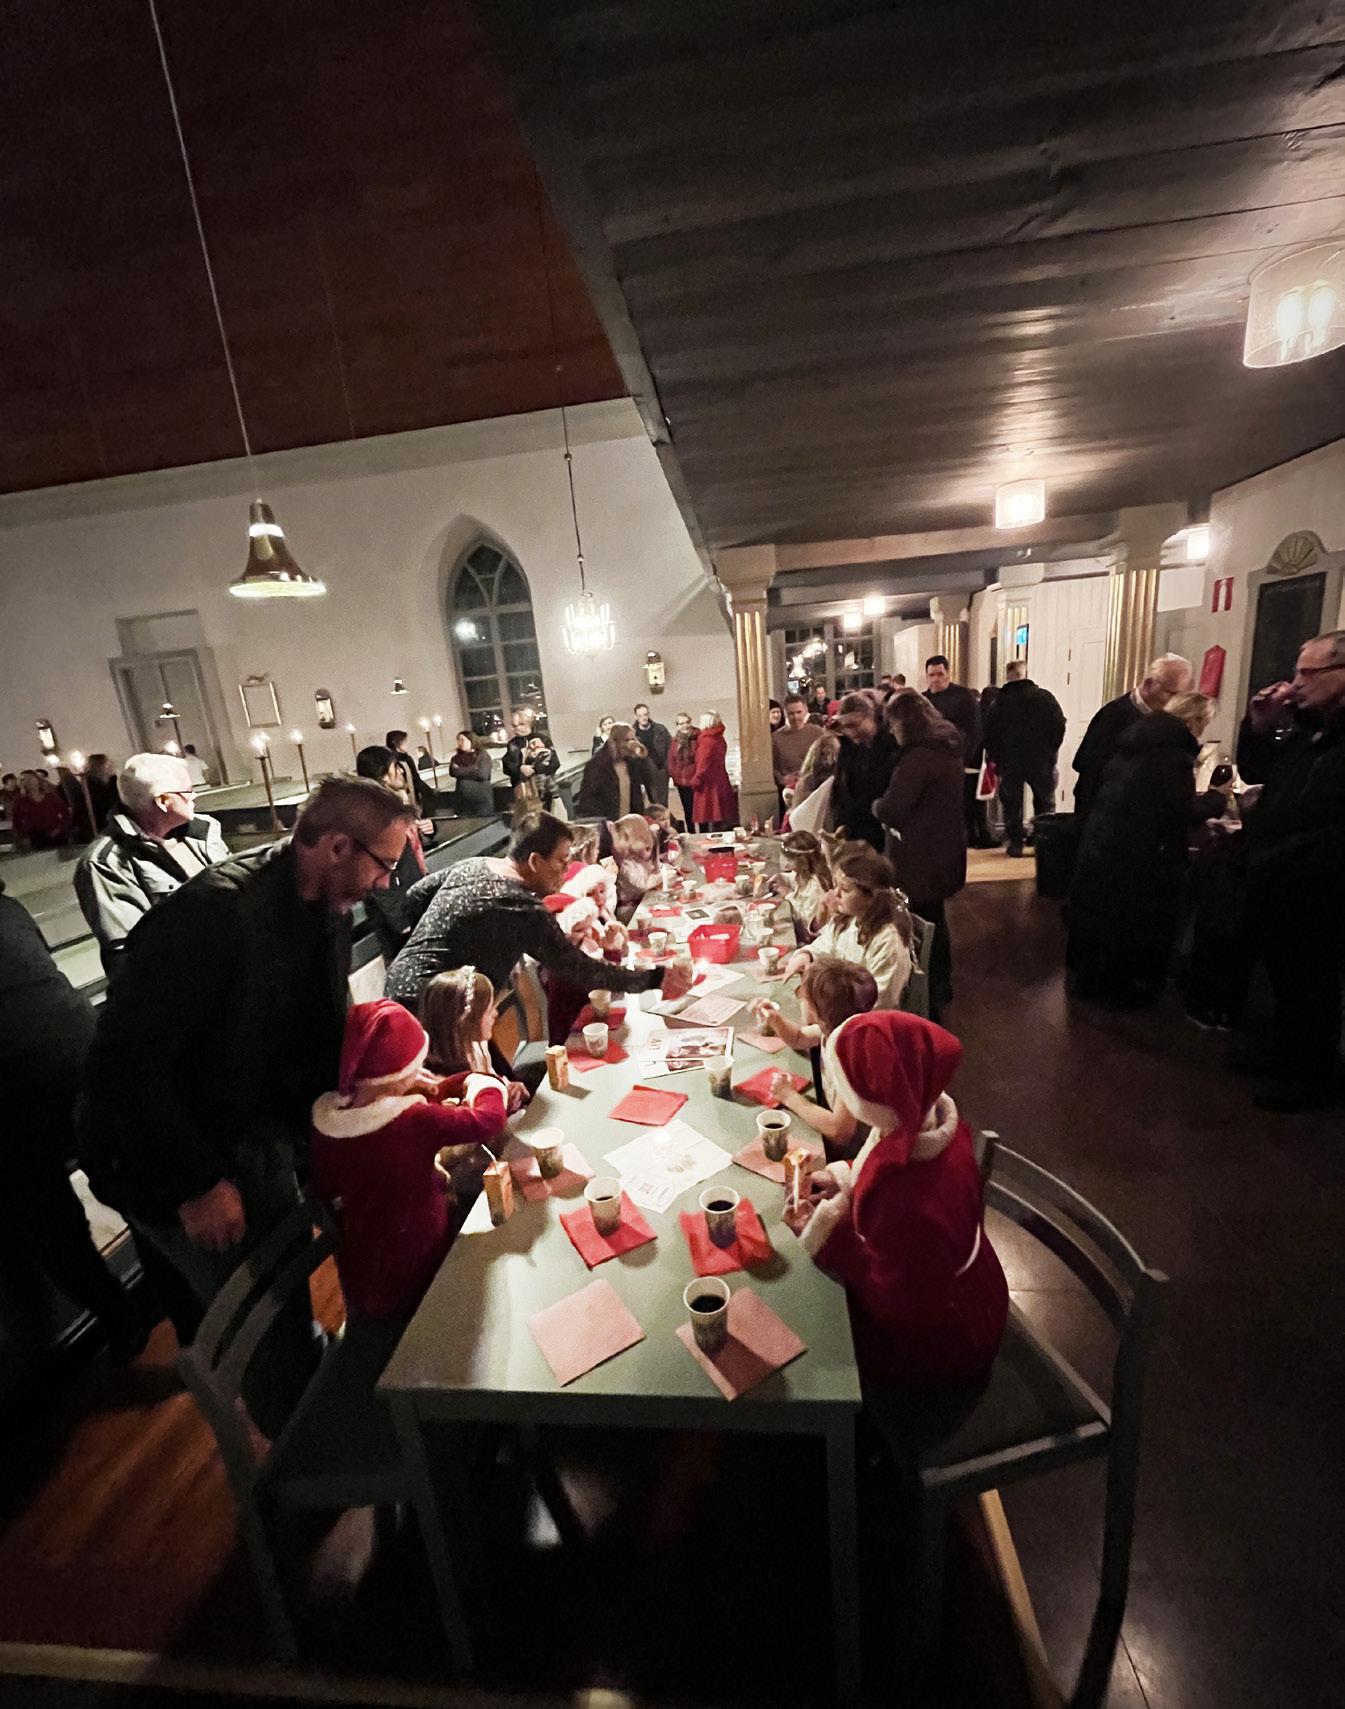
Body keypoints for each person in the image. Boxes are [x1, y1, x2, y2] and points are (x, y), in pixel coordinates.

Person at [78, 777, 415, 1434]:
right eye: (384, 864)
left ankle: (318, 1403)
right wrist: (196, 1182)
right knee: (263, 1328)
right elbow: (121, 1066)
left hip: (243, 1131)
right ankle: (309, 1457)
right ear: (337, 846)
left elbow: (314, 1031)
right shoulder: (213, 916)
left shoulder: (323, 906)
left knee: (286, 1298)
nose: (385, 882)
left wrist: (363, 1102)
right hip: (165, 1157)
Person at [785, 1011, 1008, 1390]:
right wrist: (843, 1179)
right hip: (966, 1290)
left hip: (947, 1344)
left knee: (810, 1339)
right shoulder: (933, 1125)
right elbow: (885, 1157)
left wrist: (826, 1235)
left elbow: (894, 1305)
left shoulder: (906, 1205)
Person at [0, 880, 147, 1362]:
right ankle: (176, 1296)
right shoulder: (9, 907)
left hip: (12, 1092)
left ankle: (120, 1319)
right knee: (129, 1184)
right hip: (80, 1052)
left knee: (50, 1222)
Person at [310, 1000, 507, 1325]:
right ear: (401, 1075)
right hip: (420, 1270)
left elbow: (327, 1186)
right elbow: (489, 1120)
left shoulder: (328, 1126)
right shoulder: (413, 1121)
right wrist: (484, 1083)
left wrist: (425, 1086)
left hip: (364, 1278)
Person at [385, 810, 693, 1014]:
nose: (566, 870)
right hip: (430, 1007)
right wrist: (654, 979)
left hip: (402, 985)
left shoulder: (474, 865)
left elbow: (415, 896)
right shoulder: (518, 904)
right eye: (561, 860)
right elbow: (579, 969)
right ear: (534, 861)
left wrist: (433, 944)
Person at [1235, 630, 1345, 1111]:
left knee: (1313, 980)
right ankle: (1285, 1054)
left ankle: (1312, 1076)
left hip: (1321, 880)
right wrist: (1259, 726)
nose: (1296, 683)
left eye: (1309, 673)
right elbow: (1260, 771)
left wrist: (1295, 853)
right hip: (1283, 874)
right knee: (1285, 973)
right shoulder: (1312, 727)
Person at [1067, 692, 1223, 1009]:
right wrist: (1217, 799)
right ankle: (1129, 991)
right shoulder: (1172, 755)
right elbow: (1180, 810)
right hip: (1142, 853)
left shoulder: (1137, 740)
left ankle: (1092, 983)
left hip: (1107, 843)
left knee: (1103, 919)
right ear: (1195, 722)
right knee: (1137, 924)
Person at [73, 753, 230, 977]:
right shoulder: (106, 862)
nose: (194, 796)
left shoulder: (203, 831)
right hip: (184, 980)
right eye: (188, 791)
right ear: (163, 801)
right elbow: (130, 951)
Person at [874, 689, 967, 1018]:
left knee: (920, 925)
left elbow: (894, 807)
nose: (891, 731)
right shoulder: (946, 747)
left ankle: (926, 992)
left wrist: (877, 806)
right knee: (936, 918)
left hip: (920, 854)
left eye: (893, 723)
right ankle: (941, 985)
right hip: (944, 847)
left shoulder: (918, 757)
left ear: (905, 722)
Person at [755, 958, 879, 1159]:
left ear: (817, 1012)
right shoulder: (835, 1028)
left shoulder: (853, 1054)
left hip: (861, 1154)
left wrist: (788, 1096)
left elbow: (839, 1131)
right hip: (841, 1143)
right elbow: (799, 1038)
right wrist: (776, 1020)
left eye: (804, 999)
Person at [784, 842, 914, 1010]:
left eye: (845, 889)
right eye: (836, 885)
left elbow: (880, 1001)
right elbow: (825, 945)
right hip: (840, 1006)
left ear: (871, 897)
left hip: (865, 1018)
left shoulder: (887, 942)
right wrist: (806, 955)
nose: (835, 893)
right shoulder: (847, 920)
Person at [1071, 654, 1194, 820]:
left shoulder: (1164, 720)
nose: (1176, 701)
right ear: (1149, 684)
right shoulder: (1114, 715)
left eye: (1181, 696)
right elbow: (1086, 763)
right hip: (1107, 814)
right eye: (1171, 693)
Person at [983, 660, 1067, 858]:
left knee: (1012, 804)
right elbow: (1059, 725)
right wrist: (1051, 751)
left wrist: (996, 759)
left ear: (1008, 676)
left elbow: (989, 734)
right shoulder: (1044, 698)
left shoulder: (999, 703)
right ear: (1025, 674)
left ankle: (1015, 844)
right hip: (1040, 759)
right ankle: (1043, 843)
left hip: (1010, 760)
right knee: (1044, 802)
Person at [355, 746, 429, 956]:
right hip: (399, 915)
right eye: (395, 766)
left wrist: (429, 830)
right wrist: (401, 920)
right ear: (383, 776)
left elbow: (407, 851)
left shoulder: (390, 807)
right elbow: (377, 875)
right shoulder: (374, 816)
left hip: (411, 900)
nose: (401, 770)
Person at [924, 655, 986, 849]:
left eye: (940, 674)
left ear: (948, 673)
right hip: (933, 762)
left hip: (959, 759)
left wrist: (965, 758)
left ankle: (969, 837)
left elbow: (975, 730)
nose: (936, 679)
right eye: (931, 675)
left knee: (964, 804)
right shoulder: (923, 700)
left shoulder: (964, 697)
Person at [831, 692, 900, 851]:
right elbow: (839, 789)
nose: (850, 732)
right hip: (854, 832)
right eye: (845, 726)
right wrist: (840, 822)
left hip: (882, 832)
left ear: (870, 717)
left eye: (854, 725)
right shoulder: (847, 748)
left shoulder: (891, 747)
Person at [577, 722, 659, 820]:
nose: (631, 743)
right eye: (626, 740)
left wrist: (643, 757)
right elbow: (587, 798)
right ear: (616, 741)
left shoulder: (631, 762)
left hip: (628, 820)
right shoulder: (598, 764)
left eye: (633, 739)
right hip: (607, 820)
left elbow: (650, 777)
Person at [772, 827, 833, 939]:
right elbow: (792, 877)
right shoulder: (801, 873)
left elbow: (807, 920)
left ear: (803, 861)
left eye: (789, 860)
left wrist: (788, 894)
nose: (786, 863)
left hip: (809, 937)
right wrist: (780, 877)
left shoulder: (816, 887)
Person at [503, 710, 559, 811]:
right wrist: (520, 768)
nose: (515, 729)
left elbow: (554, 763)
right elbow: (507, 766)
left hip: (544, 790)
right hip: (523, 791)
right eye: (513, 726)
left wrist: (535, 769)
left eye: (518, 725)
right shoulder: (513, 744)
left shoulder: (543, 740)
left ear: (527, 724)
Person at [691, 712, 736, 832]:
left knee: (707, 814)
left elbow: (703, 763)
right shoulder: (719, 738)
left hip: (708, 785)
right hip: (720, 779)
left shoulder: (707, 741)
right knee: (719, 815)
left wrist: (696, 779)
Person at [788, 729, 842, 831]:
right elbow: (799, 812)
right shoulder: (808, 781)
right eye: (825, 753)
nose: (829, 758)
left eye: (834, 753)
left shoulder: (842, 776)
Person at [773, 693, 818, 811]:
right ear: (785, 713)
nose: (795, 717)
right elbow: (772, 767)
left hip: (814, 791)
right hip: (789, 793)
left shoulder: (818, 733)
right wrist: (782, 779)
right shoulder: (776, 738)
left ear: (806, 710)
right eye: (791, 713)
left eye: (799, 712)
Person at [12, 768, 72, 849]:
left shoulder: (51, 797)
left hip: (55, 834)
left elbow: (66, 814)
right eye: (24, 779)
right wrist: (23, 837)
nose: (29, 781)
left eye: (31, 778)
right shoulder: (20, 801)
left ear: (37, 780)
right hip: (35, 837)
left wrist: (59, 828)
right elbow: (17, 821)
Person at [386, 729, 436, 819]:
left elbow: (415, 778)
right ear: (397, 744)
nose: (407, 744)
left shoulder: (404, 758)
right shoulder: (394, 760)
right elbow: (414, 778)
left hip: (410, 793)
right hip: (402, 795)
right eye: (404, 742)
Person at [632, 703, 672, 808]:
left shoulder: (660, 729)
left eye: (645, 714)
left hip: (661, 770)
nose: (644, 718)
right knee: (653, 802)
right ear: (636, 716)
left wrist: (667, 768)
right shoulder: (632, 734)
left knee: (663, 802)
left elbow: (670, 748)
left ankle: (664, 818)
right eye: (640, 715)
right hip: (644, 773)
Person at [448, 730, 495, 816]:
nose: (460, 743)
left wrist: (461, 770)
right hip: (463, 801)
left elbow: (482, 774)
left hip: (482, 797)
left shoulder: (482, 755)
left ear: (471, 740)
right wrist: (474, 768)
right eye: (458, 740)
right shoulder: (455, 758)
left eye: (463, 740)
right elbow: (453, 772)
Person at [668, 713, 698, 828]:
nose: (685, 726)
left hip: (696, 781)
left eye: (687, 722)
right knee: (688, 811)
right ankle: (691, 833)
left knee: (700, 811)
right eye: (681, 723)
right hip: (682, 782)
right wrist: (675, 775)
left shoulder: (697, 738)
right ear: (677, 726)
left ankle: (703, 833)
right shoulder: (675, 741)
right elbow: (671, 760)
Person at [84, 754, 120, 831]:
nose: (111, 766)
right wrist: (114, 780)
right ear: (100, 767)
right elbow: (108, 802)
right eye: (107, 764)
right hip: (100, 824)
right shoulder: (92, 785)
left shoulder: (101, 783)